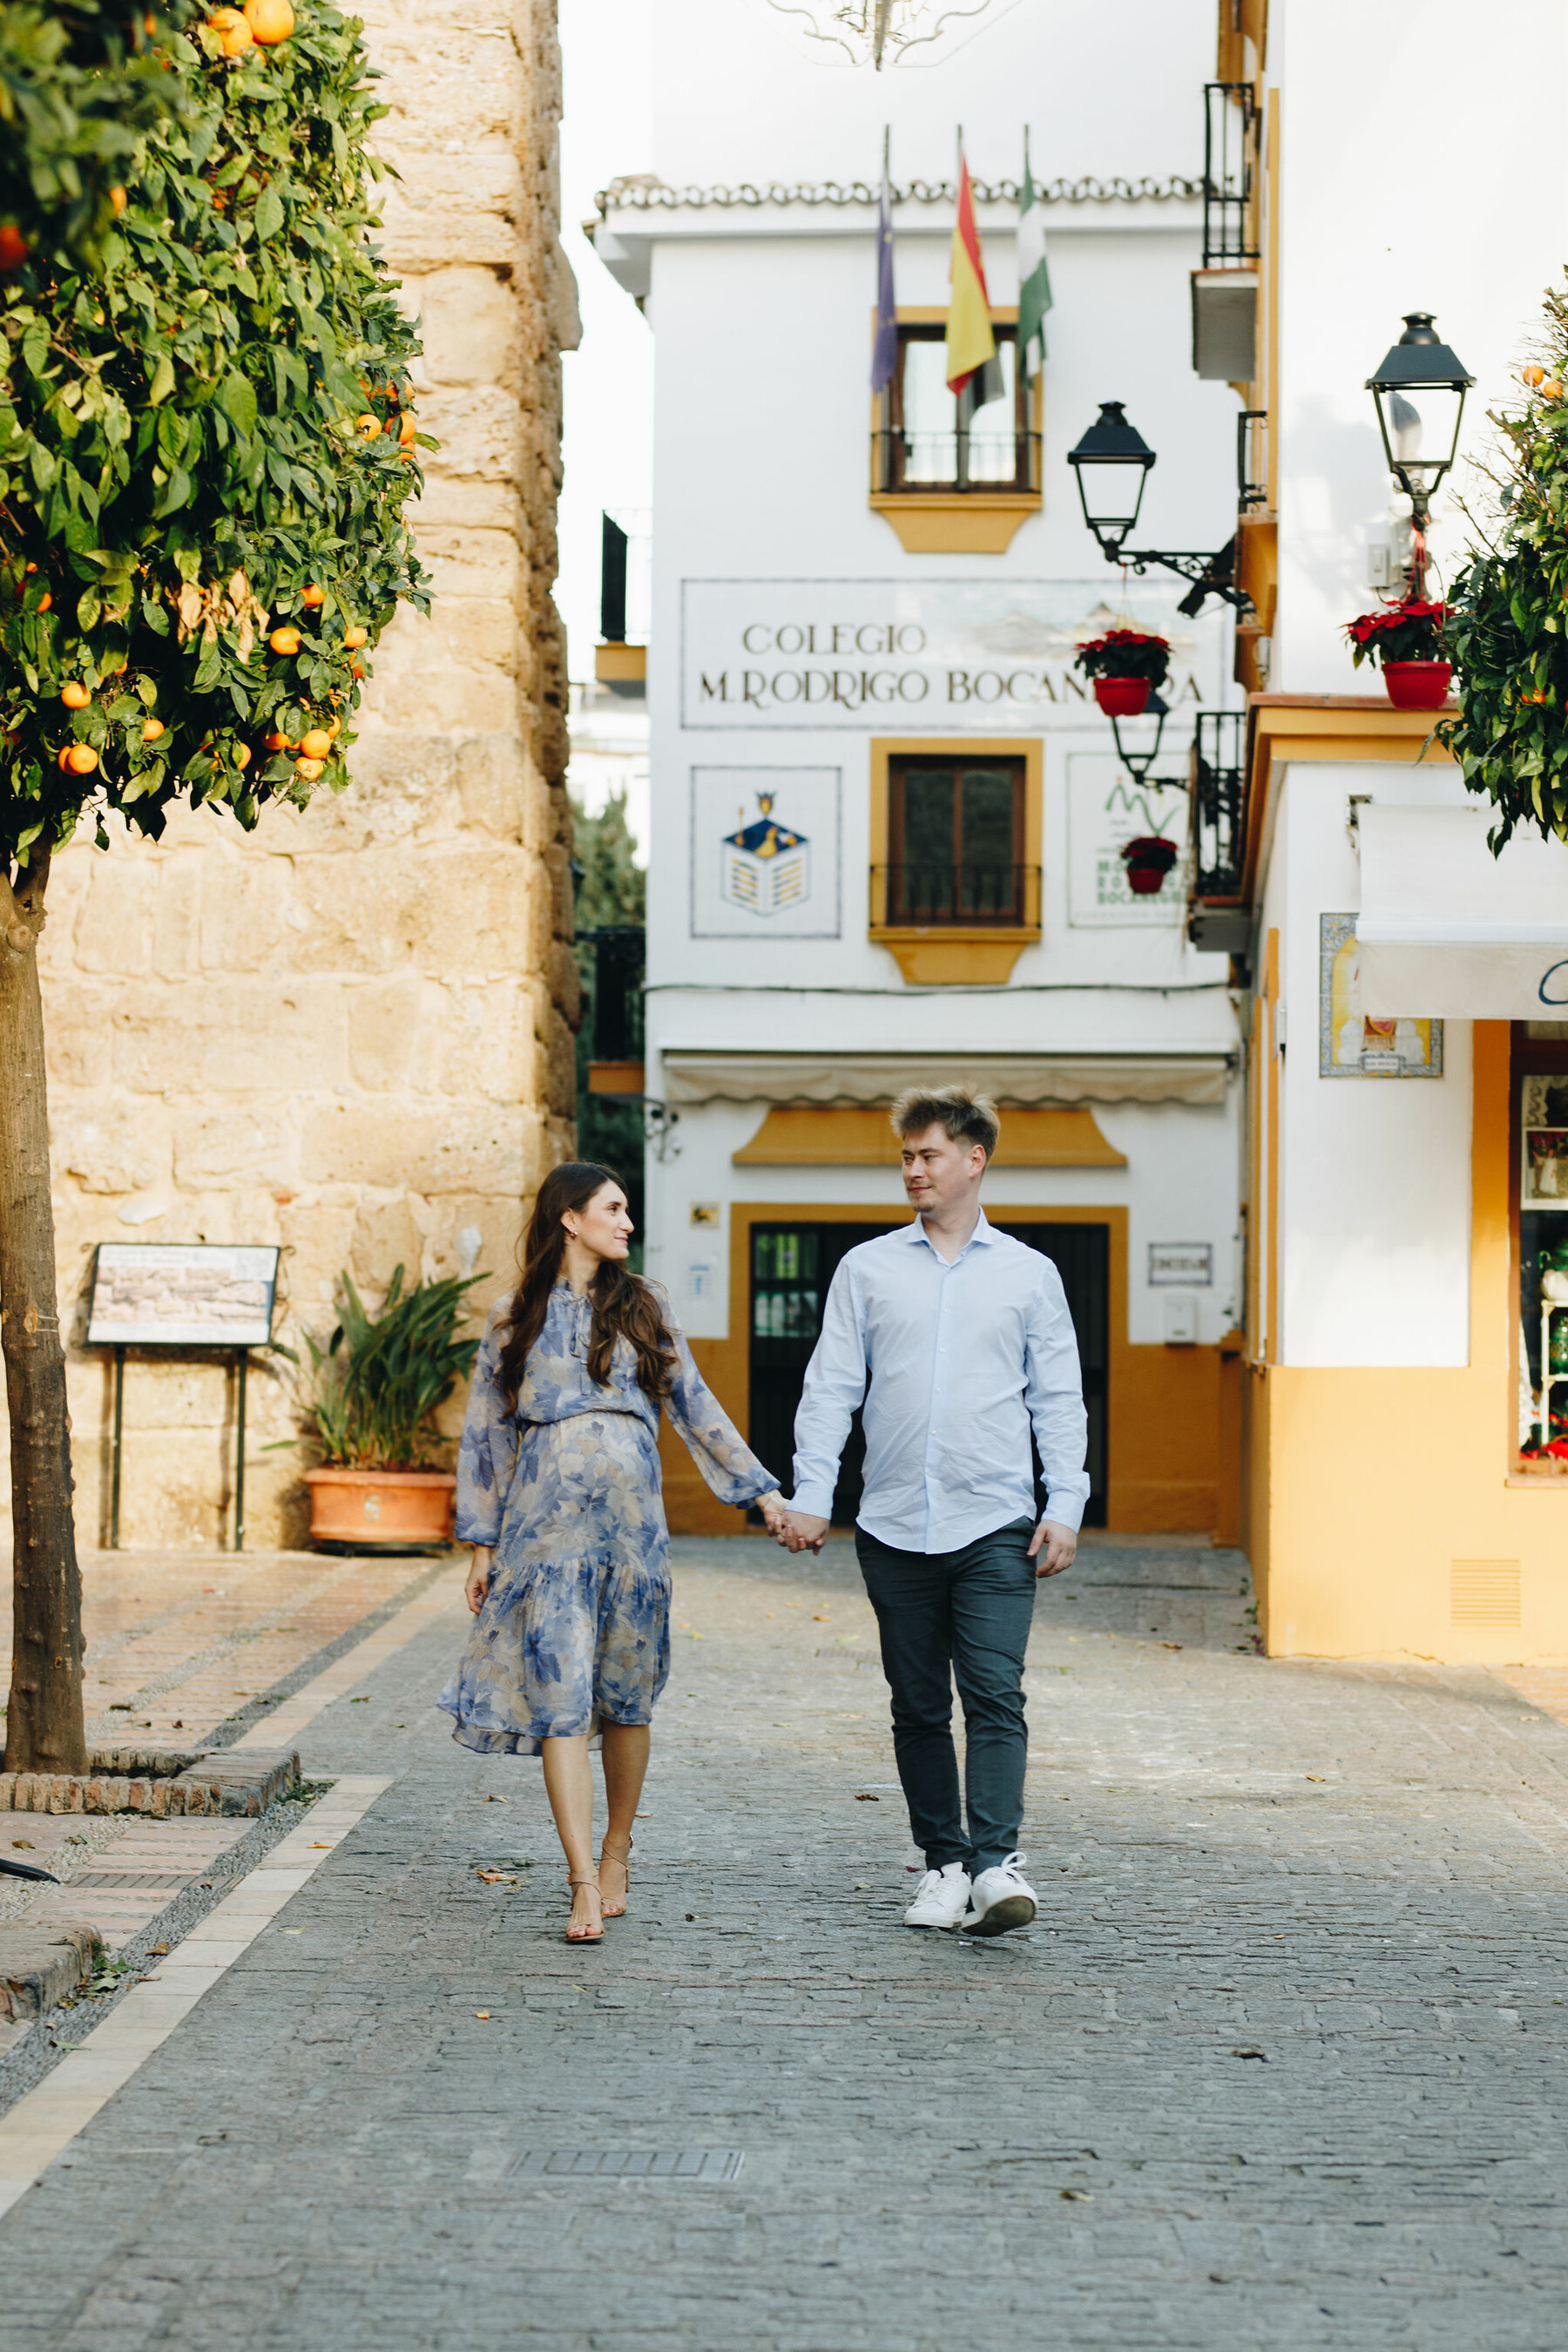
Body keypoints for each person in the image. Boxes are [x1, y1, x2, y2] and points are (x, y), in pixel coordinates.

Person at [440, 1163, 787, 1943]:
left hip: (632, 1542)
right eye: (614, 1208)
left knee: (626, 1701)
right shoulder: (511, 1317)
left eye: (627, 1210)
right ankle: (580, 1884)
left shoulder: (646, 1305)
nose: (628, 1223)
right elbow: (485, 1437)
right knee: (560, 1701)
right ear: (570, 1217)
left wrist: (760, 1494)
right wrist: (480, 1545)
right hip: (544, 1538)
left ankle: (617, 1852)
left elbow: (695, 1405)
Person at [775, 1088, 1089, 1936]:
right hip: (891, 1527)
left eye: (929, 1155)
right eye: (906, 1157)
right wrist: (812, 1495)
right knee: (916, 1703)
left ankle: (995, 1866)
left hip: (995, 1523)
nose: (913, 1169)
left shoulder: (1031, 1274)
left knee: (994, 1693)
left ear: (974, 1159)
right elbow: (830, 1389)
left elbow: (1059, 1395)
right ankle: (942, 1865)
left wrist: (1065, 1501)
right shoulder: (868, 1269)